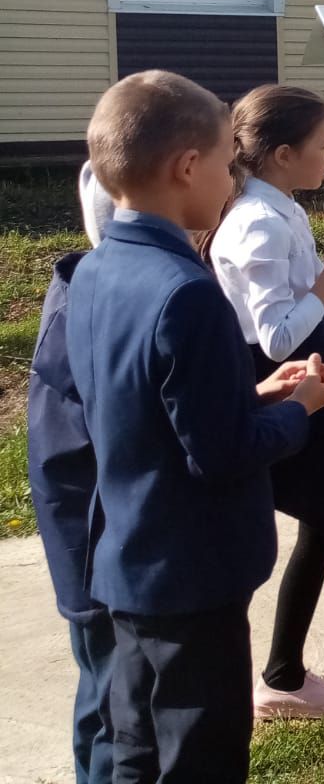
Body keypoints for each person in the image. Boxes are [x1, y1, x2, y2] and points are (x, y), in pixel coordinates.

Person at [66, 70, 324, 784]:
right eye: (227, 162)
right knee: (201, 755)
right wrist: (298, 410)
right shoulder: (187, 294)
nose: (233, 178)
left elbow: (148, 407)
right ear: (187, 167)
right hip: (194, 573)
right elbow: (221, 455)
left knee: (135, 745)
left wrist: (251, 391)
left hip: (126, 558)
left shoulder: (94, 271)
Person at [206, 84, 324, 718]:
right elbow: (279, 335)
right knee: (322, 523)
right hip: (291, 380)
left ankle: (282, 670)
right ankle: (281, 676)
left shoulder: (280, 207)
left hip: (309, 366)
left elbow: (307, 302)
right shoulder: (257, 222)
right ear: (282, 153)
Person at [25, 192, 113, 784]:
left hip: (102, 548)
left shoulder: (90, 291)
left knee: (105, 698)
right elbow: (65, 458)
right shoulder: (88, 310)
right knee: (112, 707)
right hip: (96, 555)